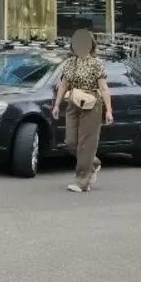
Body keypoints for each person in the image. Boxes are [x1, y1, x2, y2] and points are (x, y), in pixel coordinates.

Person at [50, 29, 114, 193]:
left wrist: (108, 110)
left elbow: (104, 88)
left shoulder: (96, 63)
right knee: (70, 142)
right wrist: (57, 105)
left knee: (86, 143)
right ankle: (92, 162)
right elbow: (63, 86)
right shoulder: (70, 63)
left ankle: (82, 181)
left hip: (92, 103)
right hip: (74, 102)